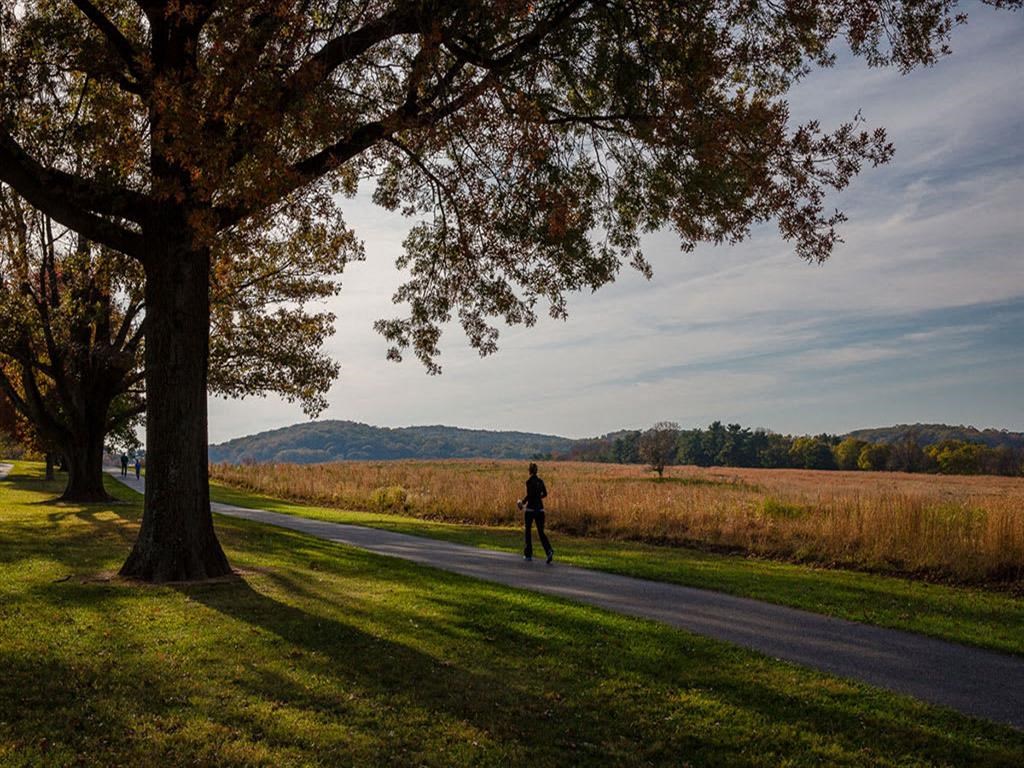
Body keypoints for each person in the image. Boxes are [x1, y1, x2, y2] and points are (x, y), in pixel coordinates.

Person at [519, 462, 553, 563]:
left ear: (529, 471)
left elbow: (529, 495)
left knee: (528, 531)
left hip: (530, 510)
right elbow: (545, 494)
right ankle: (548, 550)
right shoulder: (540, 481)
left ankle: (528, 554)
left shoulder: (529, 482)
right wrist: (539, 498)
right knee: (541, 532)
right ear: (536, 471)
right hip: (540, 509)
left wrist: (522, 503)